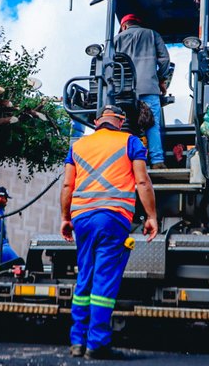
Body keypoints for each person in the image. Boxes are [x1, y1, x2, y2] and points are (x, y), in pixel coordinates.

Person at [60, 105, 158, 359]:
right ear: (121, 121)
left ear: (96, 121)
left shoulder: (78, 146)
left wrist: (64, 217)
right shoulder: (131, 141)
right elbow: (142, 181)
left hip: (81, 217)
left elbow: (68, 184)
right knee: (104, 280)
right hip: (112, 218)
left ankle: (77, 342)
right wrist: (151, 216)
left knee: (85, 277)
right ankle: (97, 343)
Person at [113, 14, 170, 169]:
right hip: (149, 87)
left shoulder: (116, 39)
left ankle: (123, 161)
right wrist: (161, 79)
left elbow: (108, 64)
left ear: (124, 26)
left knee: (124, 124)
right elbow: (165, 60)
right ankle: (157, 161)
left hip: (123, 91)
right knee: (152, 124)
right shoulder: (151, 34)